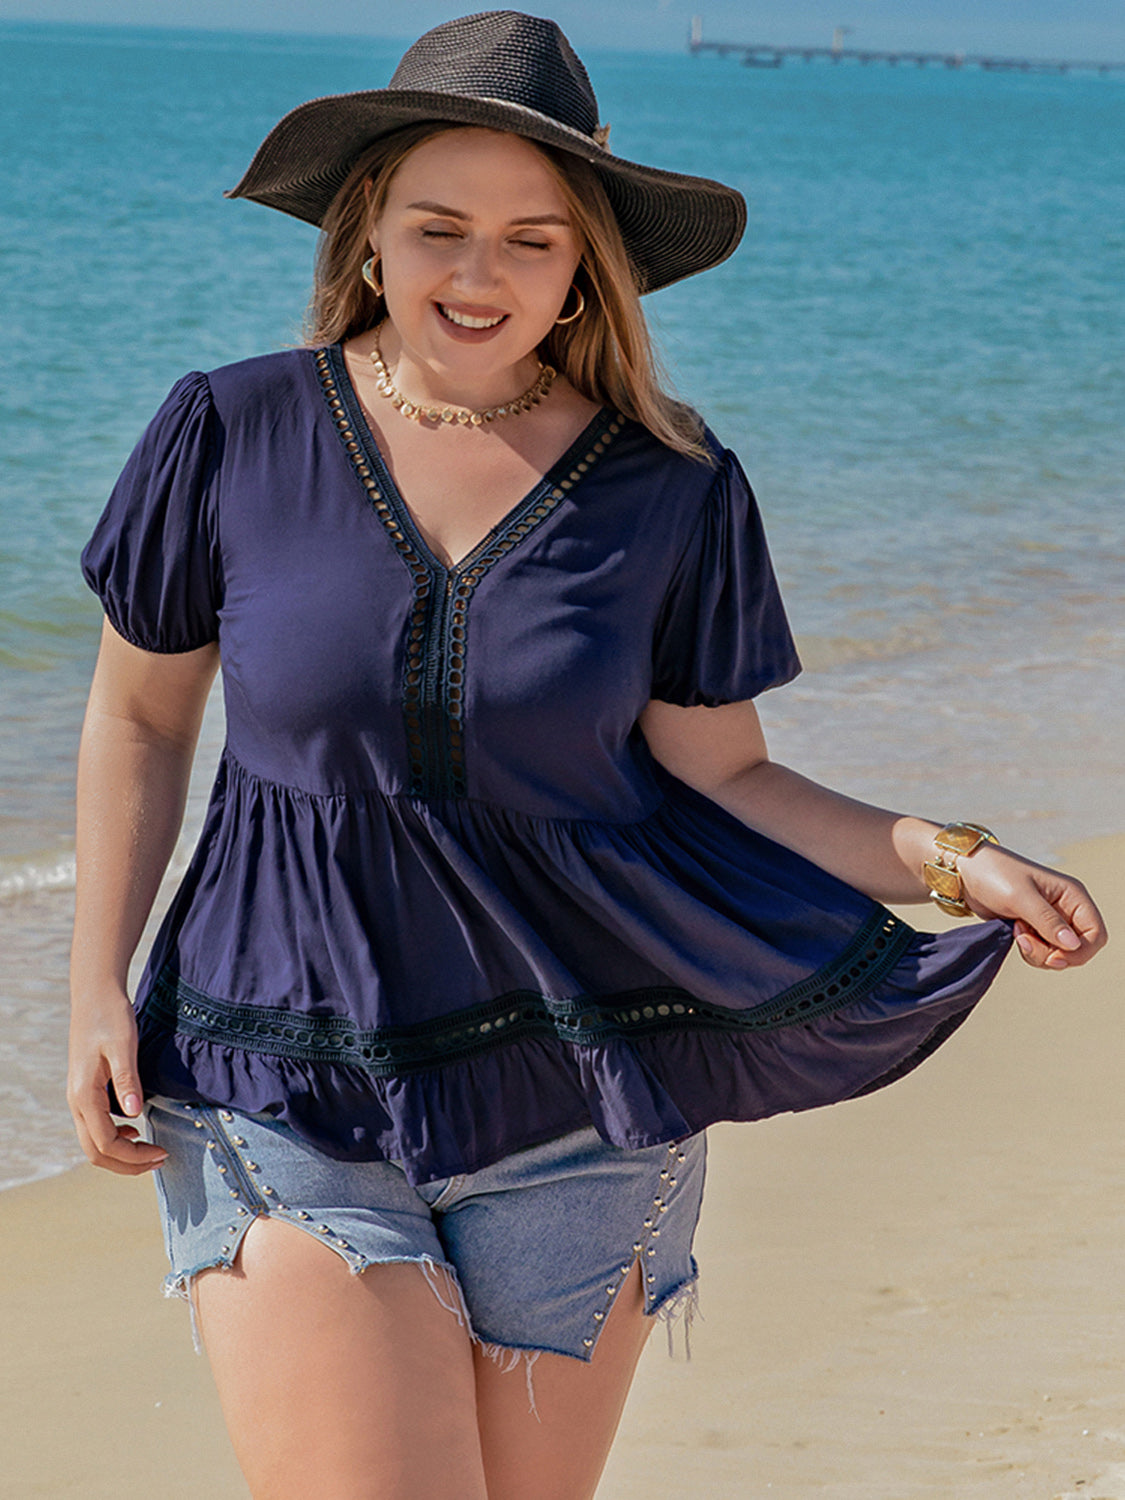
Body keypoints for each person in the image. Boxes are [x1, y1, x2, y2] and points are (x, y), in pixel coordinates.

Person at [68, 12, 1106, 1499]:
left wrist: (956, 859)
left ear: (583, 265)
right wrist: (94, 987)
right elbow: (140, 716)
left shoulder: (672, 485)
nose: (477, 274)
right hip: (272, 1061)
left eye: (530, 239)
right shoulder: (230, 431)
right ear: (370, 231)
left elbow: (727, 775)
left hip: (583, 1090)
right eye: (439, 228)